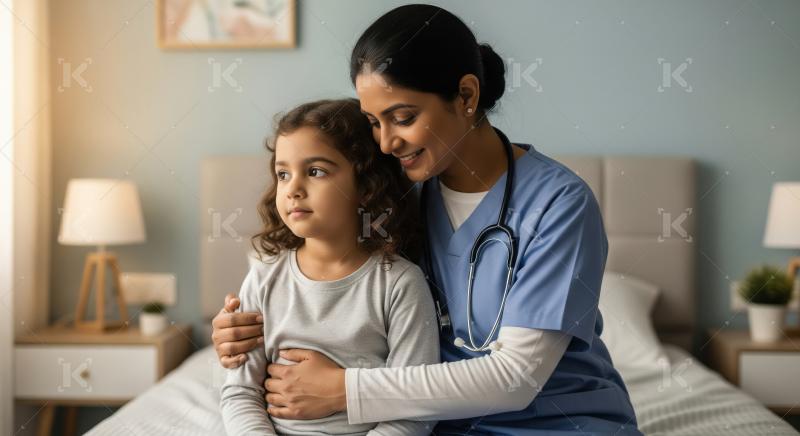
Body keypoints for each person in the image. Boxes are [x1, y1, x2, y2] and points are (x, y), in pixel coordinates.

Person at [213, 4, 642, 435]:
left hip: (557, 423)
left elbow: (517, 378)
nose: (385, 143)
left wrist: (345, 389)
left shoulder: (558, 204)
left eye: (403, 118)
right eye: (373, 123)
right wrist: (240, 335)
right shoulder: (391, 197)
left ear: (467, 97)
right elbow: (333, 291)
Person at [219, 98, 439, 435]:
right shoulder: (264, 279)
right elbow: (240, 392)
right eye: (282, 174)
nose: (293, 189)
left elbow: (415, 410)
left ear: (365, 186)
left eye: (316, 171)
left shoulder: (399, 284)